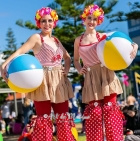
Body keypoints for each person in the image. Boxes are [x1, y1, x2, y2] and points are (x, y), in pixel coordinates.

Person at [0, 7, 75, 141]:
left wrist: (66, 70)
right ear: (39, 23)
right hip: (42, 81)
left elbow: (68, 58)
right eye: (43, 21)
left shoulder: (57, 40)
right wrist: (4, 64)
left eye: (50, 21)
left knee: (63, 119)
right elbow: (20, 51)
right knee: (43, 120)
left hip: (59, 81)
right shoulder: (36, 38)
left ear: (54, 22)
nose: (47, 24)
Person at [74, 4, 138, 141]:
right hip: (91, 77)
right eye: (89, 18)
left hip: (106, 75)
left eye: (95, 19)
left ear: (99, 21)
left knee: (110, 110)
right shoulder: (78, 40)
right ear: (84, 19)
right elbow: (75, 60)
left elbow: (121, 42)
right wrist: (79, 69)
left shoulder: (103, 36)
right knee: (95, 112)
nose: (91, 21)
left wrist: (135, 45)